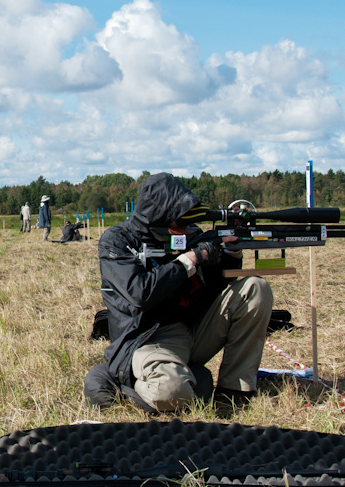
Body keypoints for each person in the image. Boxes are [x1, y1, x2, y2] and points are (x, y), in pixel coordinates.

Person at [83, 173, 272, 415]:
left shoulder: (190, 235)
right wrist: (190, 259)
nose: (184, 229)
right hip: (146, 339)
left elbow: (211, 286)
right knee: (172, 393)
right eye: (178, 223)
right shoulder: (118, 241)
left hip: (193, 330)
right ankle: (126, 387)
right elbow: (140, 293)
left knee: (255, 288)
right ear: (159, 217)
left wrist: (230, 254)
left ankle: (232, 394)